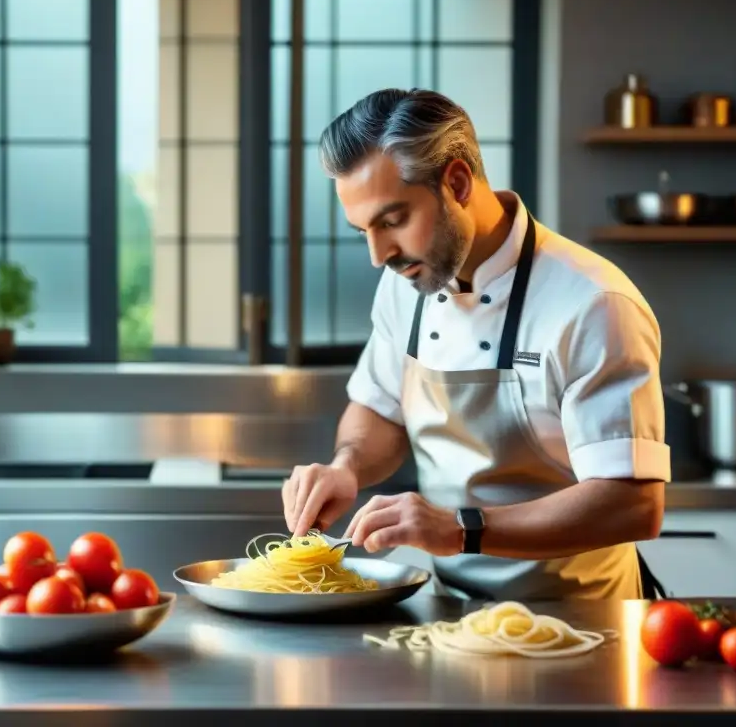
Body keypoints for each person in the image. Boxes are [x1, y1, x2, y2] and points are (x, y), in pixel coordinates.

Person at [282, 88, 670, 601]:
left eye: (393, 221)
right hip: (450, 615)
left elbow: (634, 505)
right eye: (364, 232)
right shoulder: (406, 286)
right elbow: (379, 408)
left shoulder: (594, 303)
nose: (379, 256)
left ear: (458, 182)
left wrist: (462, 529)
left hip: (583, 625)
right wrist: (345, 467)